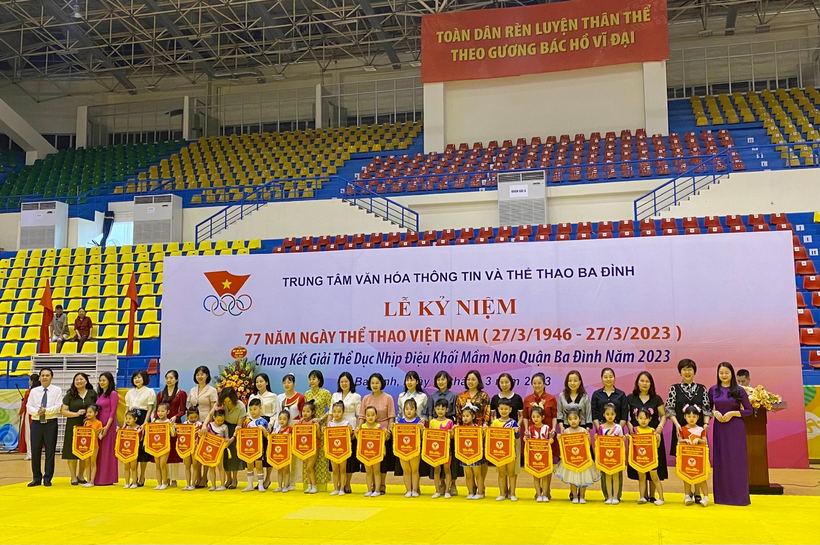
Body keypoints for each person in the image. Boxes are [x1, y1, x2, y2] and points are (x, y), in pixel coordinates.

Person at [666, 358, 711, 506]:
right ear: (680, 372)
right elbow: (669, 409)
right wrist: (677, 425)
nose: (687, 372)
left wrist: (705, 424)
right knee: (686, 461)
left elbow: (707, 409)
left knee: (698, 460)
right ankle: (687, 493)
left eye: (689, 369)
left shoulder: (702, 389)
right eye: (684, 369)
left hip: (698, 431)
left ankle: (697, 493)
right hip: (682, 430)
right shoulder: (674, 388)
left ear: (694, 371)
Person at [709, 361, 753, 506]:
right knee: (721, 460)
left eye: (726, 373)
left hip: (735, 428)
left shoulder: (739, 390)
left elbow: (749, 410)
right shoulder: (713, 390)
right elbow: (706, 409)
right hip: (720, 428)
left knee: (736, 461)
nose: (724, 375)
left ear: (731, 374)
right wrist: (714, 413)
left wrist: (733, 413)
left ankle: (739, 497)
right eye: (721, 373)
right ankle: (722, 497)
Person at [626, 371, 668, 501]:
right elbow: (625, 416)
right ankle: (642, 495)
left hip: (653, 436)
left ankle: (652, 495)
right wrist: (630, 427)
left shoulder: (656, 398)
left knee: (653, 465)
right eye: (642, 381)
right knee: (641, 464)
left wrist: (659, 429)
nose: (644, 383)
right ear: (637, 382)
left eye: (647, 381)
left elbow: (664, 415)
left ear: (651, 383)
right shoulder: (630, 398)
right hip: (637, 437)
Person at [357, 373, 396, 495]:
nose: (374, 385)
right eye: (372, 383)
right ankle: (372, 487)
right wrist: (359, 428)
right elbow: (362, 416)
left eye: (377, 383)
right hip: (368, 433)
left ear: (381, 383)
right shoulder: (366, 398)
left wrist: (388, 431)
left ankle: (381, 485)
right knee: (369, 459)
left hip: (382, 432)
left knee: (382, 462)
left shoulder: (388, 398)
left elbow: (391, 416)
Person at [424, 370, 461, 493]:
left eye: (443, 379)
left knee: (451, 459)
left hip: (449, 426)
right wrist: (431, 430)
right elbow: (429, 414)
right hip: (436, 427)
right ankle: (441, 484)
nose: (441, 382)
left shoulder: (454, 396)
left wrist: (453, 428)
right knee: (437, 456)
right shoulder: (432, 396)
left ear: (448, 380)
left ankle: (453, 484)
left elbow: (457, 414)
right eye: (438, 379)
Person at [554, 408, 600, 503]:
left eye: (575, 418)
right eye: (570, 419)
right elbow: (563, 447)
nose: (573, 421)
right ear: (567, 420)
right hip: (571, 460)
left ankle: (582, 496)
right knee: (572, 478)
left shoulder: (583, 430)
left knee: (583, 478)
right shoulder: (566, 431)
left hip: (583, 460)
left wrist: (588, 437)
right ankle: (574, 496)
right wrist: (559, 439)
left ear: (580, 419)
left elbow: (589, 445)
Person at [26, 368, 62, 487]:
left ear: (51, 377)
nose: (45, 377)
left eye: (47, 375)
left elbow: (58, 406)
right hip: (36, 423)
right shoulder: (34, 391)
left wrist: (46, 411)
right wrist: (38, 412)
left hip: (50, 423)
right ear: (40, 377)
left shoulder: (57, 390)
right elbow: (28, 406)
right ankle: (36, 478)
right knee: (35, 451)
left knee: (50, 452)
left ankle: (47, 478)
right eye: (43, 375)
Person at [204, 387, 246, 489]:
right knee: (224, 456)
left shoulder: (240, 406)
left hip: (235, 430)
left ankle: (235, 479)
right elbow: (210, 414)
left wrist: (232, 438)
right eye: (225, 401)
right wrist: (204, 425)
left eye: (229, 401)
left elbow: (239, 425)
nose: (227, 403)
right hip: (222, 428)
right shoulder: (220, 403)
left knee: (234, 455)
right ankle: (228, 478)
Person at [60, 372, 97, 485]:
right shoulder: (70, 395)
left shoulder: (92, 393)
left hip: (87, 427)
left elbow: (97, 408)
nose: (79, 381)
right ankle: (73, 477)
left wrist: (90, 417)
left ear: (86, 381)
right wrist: (76, 414)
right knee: (71, 451)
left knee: (84, 450)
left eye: (81, 379)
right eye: (76, 379)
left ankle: (81, 475)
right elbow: (63, 411)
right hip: (73, 425)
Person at [155, 370, 187, 487]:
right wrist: (155, 421)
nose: (168, 380)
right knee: (162, 450)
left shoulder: (181, 393)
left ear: (176, 380)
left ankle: (174, 478)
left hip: (174, 425)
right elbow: (156, 410)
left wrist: (175, 417)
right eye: (167, 378)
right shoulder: (160, 394)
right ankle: (165, 478)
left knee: (173, 452)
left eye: (171, 378)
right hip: (161, 426)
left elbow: (183, 410)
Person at [490, 373, 524, 484]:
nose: (504, 384)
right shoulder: (495, 398)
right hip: (499, 437)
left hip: (513, 435)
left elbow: (521, 415)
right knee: (501, 465)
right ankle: (503, 490)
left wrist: (517, 425)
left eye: (506, 382)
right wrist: (494, 425)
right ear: (498, 384)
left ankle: (512, 491)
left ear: (511, 383)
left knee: (513, 465)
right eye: (502, 382)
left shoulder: (517, 398)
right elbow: (492, 415)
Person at [249, 372, 280, 490]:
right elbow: (249, 413)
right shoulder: (252, 397)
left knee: (267, 452)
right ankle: (258, 481)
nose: (259, 384)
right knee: (255, 453)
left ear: (266, 382)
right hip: (254, 426)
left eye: (261, 381)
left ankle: (267, 478)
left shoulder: (273, 396)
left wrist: (271, 424)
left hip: (267, 423)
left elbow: (276, 413)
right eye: (257, 382)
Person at [331, 372, 361, 493]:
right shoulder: (335, 395)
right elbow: (330, 413)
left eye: (346, 381)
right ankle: (337, 486)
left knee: (349, 459)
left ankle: (347, 484)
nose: (344, 384)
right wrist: (328, 427)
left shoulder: (356, 396)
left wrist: (357, 429)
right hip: (335, 429)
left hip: (350, 428)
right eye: (342, 381)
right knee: (336, 456)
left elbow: (360, 415)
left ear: (350, 383)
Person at [125, 370, 155, 487]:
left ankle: (142, 476)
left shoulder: (149, 391)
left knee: (142, 450)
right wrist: (125, 424)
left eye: (139, 377)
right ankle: (134, 477)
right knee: (131, 448)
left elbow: (150, 408)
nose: (136, 380)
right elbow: (127, 409)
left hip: (143, 418)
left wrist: (145, 422)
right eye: (135, 377)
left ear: (144, 379)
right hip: (131, 419)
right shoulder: (129, 393)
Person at [188, 366, 217, 487]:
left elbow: (213, 409)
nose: (199, 376)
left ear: (207, 376)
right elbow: (190, 406)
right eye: (197, 374)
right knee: (194, 452)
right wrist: (187, 422)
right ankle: (197, 477)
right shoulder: (192, 390)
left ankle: (204, 478)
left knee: (204, 451)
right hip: (193, 424)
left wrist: (206, 423)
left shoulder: (212, 390)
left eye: (202, 374)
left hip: (206, 423)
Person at [304, 370, 332, 492]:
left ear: (319, 380)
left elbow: (331, 410)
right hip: (307, 428)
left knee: (321, 457)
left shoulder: (326, 393)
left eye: (314, 379)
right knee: (306, 454)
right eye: (310, 379)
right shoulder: (307, 394)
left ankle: (320, 484)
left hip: (320, 426)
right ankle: (308, 484)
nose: (311, 381)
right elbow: (305, 410)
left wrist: (320, 419)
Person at [632, 409, 665, 505]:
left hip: (651, 459)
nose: (643, 420)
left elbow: (656, 446)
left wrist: (658, 439)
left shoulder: (652, 431)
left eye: (646, 418)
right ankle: (642, 497)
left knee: (655, 477)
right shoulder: (635, 430)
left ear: (650, 419)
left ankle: (661, 498)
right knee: (641, 477)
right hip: (640, 459)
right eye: (641, 418)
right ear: (636, 418)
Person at [277, 374, 304, 491]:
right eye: (284, 383)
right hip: (283, 427)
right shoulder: (280, 398)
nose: (286, 385)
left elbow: (303, 415)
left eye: (289, 382)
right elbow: (278, 414)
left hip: (295, 427)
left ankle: (292, 482)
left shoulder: (300, 397)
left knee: (294, 457)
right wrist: (277, 429)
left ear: (294, 383)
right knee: (283, 455)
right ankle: (283, 483)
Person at [680, 404, 710, 506]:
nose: (691, 419)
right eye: (689, 416)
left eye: (694, 416)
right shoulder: (682, 429)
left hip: (699, 457)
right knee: (686, 476)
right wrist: (685, 440)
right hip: (687, 457)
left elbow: (705, 442)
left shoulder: (701, 429)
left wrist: (698, 439)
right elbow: (679, 440)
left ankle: (705, 496)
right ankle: (687, 495)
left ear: (698, 417)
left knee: (701, 477)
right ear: (685, 417)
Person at [491, 398, 520, 502]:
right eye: (501, 409)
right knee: (501, 473)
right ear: (498, 409)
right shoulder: (495, 422)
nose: (503, 411)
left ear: (510, 410)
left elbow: (517, 437)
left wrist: (516, 431)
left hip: (511, 451)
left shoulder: (513, 422)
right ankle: (502, 493)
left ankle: (512, 493)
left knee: (511, 473)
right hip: (499, 452)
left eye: (506, 409)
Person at [94, 371, 119, 486]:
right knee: (99, 451)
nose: (101, 382)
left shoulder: (113, 394)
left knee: (107, 451)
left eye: (104, 380)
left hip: (108, 424)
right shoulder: (99, 395)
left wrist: (107, 427)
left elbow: (113, 412)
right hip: (99, 423)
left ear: (109, 381)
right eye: (100, 380)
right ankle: (97, 477)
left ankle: (107, 478)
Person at [524, 406, 553, 502]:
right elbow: (527, 439)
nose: (535, 419)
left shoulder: (546, 428)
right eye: (533, 417)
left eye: (537, 416)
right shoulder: (530, 428)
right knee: (536, 476)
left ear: (542, 417)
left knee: (545, 476)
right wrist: (525, 439)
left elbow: (550, 439)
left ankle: (545, 494)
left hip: (545, 455)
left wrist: (551, 440)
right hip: (534, 456)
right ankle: (538, 494)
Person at [597, 403, 625, 504]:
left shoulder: (618, 427)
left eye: (612, 414)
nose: (610, 416)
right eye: (607, 414)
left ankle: (615, 496)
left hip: (616, 456)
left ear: (615, 415)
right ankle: (609, 496)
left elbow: (621, 441)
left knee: (616, 476)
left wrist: (623, 438)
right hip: (605, 456)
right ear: (604, 415)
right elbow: (599, 443)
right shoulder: (601, 427)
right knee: (607, 476)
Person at [240, 398, 269, 493]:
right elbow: (243, 434)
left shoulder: (263, 421)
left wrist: (263, 429)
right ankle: (250, 485)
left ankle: (260, 485)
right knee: (249, 466)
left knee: (259, 466)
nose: (253, 411)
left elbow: (267, 436)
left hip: (259, 448)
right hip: (248, 448)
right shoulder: (246, 421)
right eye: (251, 409)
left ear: (260, 408)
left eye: (255, 409)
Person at [396, 398, 423, 498]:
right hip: (402, 449)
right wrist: (392, 428)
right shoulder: (400, 422)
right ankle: (408, 490)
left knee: (414, 470)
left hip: (415, 449)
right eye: (406, 409)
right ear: (403, 410)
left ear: (415, 410)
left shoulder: (418, 422)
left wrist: (422, 429)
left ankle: (415, 490)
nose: (409, 411)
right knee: (406, 470)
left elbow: (422, 436)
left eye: (411, 409)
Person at [458, 406, 485, 500]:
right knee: (468, 474)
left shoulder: (478, 428)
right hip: (464, 454)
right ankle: (470, 492)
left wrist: (483, 431)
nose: (465, 418)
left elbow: (482, 438)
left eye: (467, 416)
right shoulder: (460, 429)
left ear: (473, 416)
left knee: (478, 474)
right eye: (463, 416)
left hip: (476, 454)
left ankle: (480, 492)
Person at [360, 406, 388, 497]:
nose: (370, 417)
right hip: (366, 453)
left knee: (376, 471)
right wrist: (356, 432)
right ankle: (369, 489)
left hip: (377, 453)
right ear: (365, 416)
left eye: (372, 415)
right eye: (368, 415)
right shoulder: (363, 427)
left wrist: (385, 432)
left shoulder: (379, 427)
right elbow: (359, 440)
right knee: (368, 472)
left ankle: (377, 490)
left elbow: (384, 438)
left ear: (376, 416)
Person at [429, 398, 454, 499]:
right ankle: (437, 491)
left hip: (447, 450)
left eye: (443, 409)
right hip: (435, 451)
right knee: (436, 470)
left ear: (447, 410)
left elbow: (452, 437)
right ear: (435, 409)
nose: (440, 411)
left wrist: (452, 433)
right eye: (438, 409)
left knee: (447, 470)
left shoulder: (450, 422)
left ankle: (447, 490)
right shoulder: (432, 422)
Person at [327, 401, 353, 496]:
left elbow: (349, 436)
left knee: (342, 469)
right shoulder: (330, 424)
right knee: (335, 470)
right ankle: (335, 488)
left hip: (343, 450)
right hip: (333, 450)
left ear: (343, 412)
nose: (336, 414)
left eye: (339, 412)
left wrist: (350, 431)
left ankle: (342, 488)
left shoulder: (346, 423)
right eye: (334, 412)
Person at [203, 409, 231, 491]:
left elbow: (227, 438)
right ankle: (213, 485)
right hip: (210, 449)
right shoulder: (209, 426)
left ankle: (222, 485)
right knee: (211, 467)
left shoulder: (224, 427)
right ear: (214, 417)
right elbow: (204, 437)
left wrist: (226, 441)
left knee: (220, 466)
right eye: (218, 420)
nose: (220, 422)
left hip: (220, 449)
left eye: (222, 420)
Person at [152, 402, 177, 490]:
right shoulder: (155, 422)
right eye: (158, 411)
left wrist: (171, 426)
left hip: (165, 446)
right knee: (157, 465)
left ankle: (165, 482)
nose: (160, 413)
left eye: (163, 411)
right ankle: (159, 483)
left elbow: (173, 435)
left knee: (163, 464)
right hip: (156, 446)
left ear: (168, 412)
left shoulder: (168, 422)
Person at [18, 373, 40, 461]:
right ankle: (36, 453)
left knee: (29, 434)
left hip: (30, 414)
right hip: (39, 413)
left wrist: (20, 414)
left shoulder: (28, 392)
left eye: (29, 380)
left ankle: (30, 454)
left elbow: (25, 405)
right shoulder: (40, 391)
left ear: (32, 381)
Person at [79, 404, 102, 487]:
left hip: (94, 445)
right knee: (87, 463)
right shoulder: (86, 423)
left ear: (96, 413)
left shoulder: (98, 423)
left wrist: (96, 431)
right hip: (86, 445)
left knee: (93, 462)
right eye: (87, 412)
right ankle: (88, 480)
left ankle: (92, 481)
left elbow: (100, 436)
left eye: (90, 412)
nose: (88, 414)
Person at [271, 410, 293, 493]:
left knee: (286, 469)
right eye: (280, 419)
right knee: (279, 469)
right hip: (278, 453)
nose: (282, 421)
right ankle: (279, 486)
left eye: (284, 419)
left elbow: (294, 439)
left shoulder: (289, 429)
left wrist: (289, 436)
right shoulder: (276, 430)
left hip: (286, 452)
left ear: (288, 420)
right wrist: (273, 435)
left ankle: (286, 486)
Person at [182, 407, 202, 491]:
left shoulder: (200, 425)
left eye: (195, 417)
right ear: (187, 417)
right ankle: (187, 484)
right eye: (191, 417)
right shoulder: (184, 424)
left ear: (198, 416)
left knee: (195, 465)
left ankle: (193, 484)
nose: (193, 419)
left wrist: (201, 433)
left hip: (196, 447)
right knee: (187, 466)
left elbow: (202, 437)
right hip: (186, 447)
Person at [121, 410, 140, 489]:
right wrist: (118, 431)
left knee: (133, 467)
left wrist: (138, 433)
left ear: (135, 419)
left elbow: (141, 439)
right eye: (126, 418)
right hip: (126, 450)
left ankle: (134, 482)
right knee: (126, 467)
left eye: (129, 418)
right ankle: (127, 482)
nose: (127, 420)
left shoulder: (138, 428)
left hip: (134, 451)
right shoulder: (125, 428)